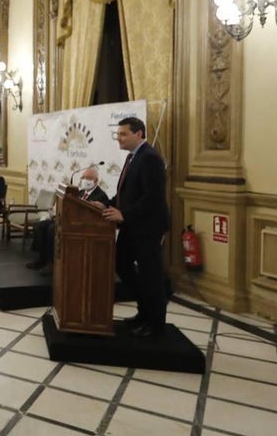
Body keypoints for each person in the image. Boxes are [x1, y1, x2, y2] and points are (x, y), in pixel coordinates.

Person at [99, 117, 171, 338]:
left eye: (123, 134)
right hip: (132, 225)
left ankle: (155, 323)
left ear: (138, 133)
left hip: (147, 227)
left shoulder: (150, 158)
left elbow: (153, 198)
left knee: (151, 276)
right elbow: (127, 193)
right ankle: (143, 313)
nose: (119, 138)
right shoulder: (134, 157)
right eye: (118, 134)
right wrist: (107, 204)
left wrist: (124, 214)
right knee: (122, 264)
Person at [26, 168, 109, 271]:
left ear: (95, 181)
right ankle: (41, 258)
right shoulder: (81, 192)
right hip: (70, 219)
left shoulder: (100, 195)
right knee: (41, 225)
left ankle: (52, 263)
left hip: (82, 225)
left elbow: (95, 215)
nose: (84, 180)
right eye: (83, 177)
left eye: (88, 178)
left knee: (52, 229)